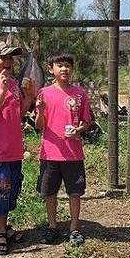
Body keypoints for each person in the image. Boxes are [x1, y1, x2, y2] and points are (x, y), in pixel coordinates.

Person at [0, 41, 36, 255]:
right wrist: (1, 90)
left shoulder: (13, 83)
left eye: (12, 58)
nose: (9, 62)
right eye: (5, 58)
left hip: (13, 148)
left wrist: (28, 96)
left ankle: (4, 226)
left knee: (10, 191)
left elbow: (19, 114)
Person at [34, 53, 92, 246]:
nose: (64, 69)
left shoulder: (79, 94)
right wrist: (41, 111)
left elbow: (86, 121)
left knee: (74, 192)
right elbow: (39, 125)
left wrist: (79, 129)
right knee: (49, 192)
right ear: (51, 69)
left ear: (72, 69)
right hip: (50, 152)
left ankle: (74, 228)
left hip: (73, 153)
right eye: (60, 65)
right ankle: (52, 226)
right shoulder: (44, 93)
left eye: (68, 65)